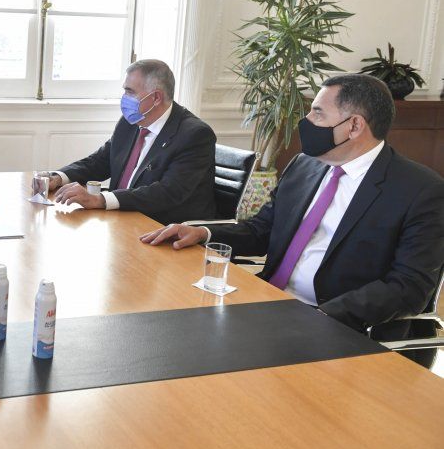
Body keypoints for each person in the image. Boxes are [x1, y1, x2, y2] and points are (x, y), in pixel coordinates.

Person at [140, 74, 444, 348]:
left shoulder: (420, 190)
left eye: (318, 112)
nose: (306, 119)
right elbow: (262, 230)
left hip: (338, 327)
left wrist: (322, 315)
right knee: (168, 336)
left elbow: (409, 287)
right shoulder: (306, 164)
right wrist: (203, 232)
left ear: (354, 126)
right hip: (267, 303)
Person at [36, 59, 217, 225]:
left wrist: (100, 199)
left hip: (164, 229)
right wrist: (59, 178)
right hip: (122, 220)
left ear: (156, 98)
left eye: (130, 91)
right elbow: (101, 161)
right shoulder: (131, 122)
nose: (124, 98)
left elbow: (168, 192)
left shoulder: (194, 135)